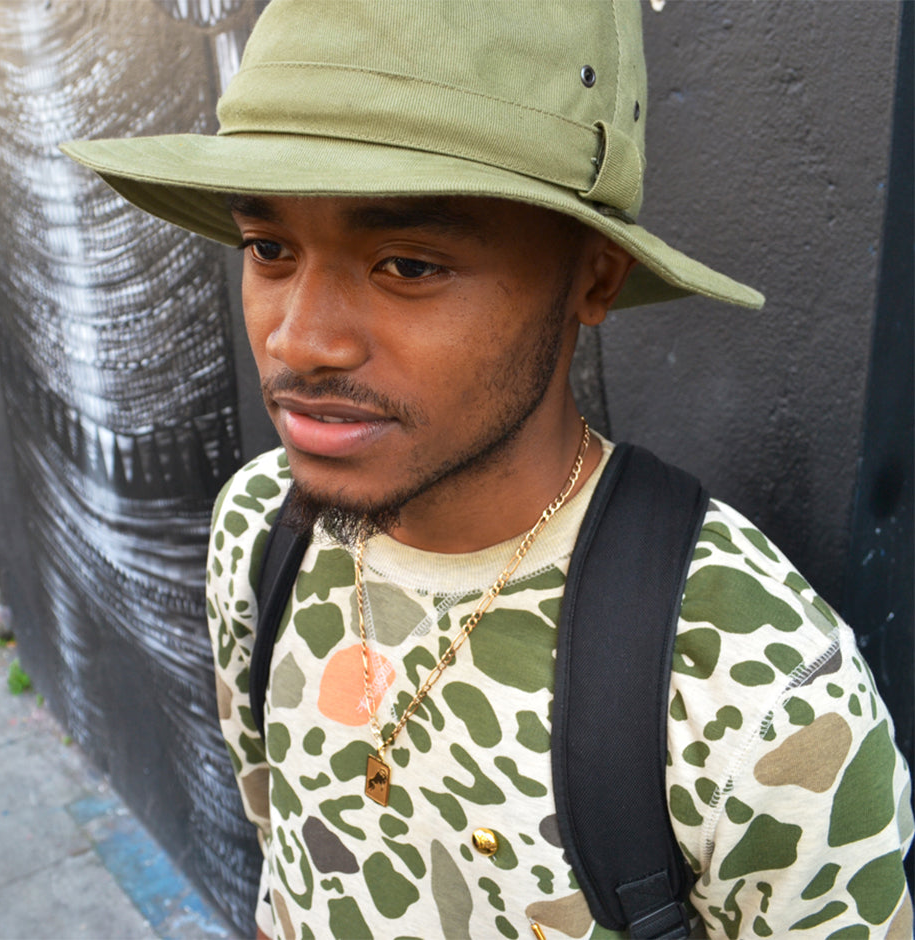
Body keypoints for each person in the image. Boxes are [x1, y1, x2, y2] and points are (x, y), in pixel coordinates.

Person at [62, 1, 913, 937]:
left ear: (592, 278)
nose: (299, 340)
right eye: (268, 247)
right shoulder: (262, 526)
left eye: (409, 264)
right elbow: (287, 871)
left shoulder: (756, 694)